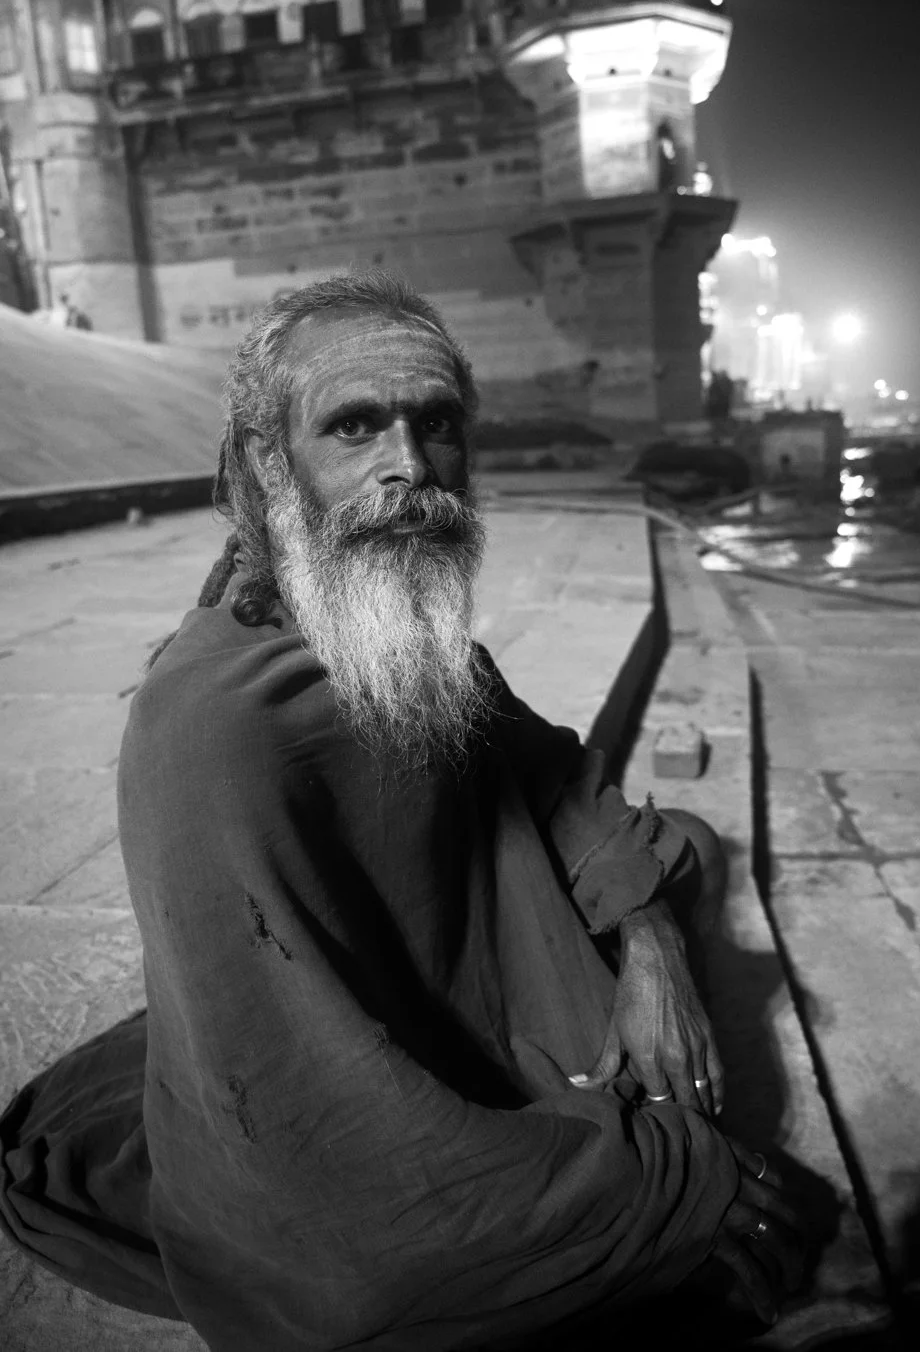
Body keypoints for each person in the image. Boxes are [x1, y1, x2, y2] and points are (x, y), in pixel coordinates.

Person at [0, 271, 804, 1350]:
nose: (410, 468)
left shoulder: (403, 635)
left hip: (470, 959)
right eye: (354, 427)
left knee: (680, 855)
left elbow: (546, 778)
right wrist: (649, 1192)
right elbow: (307, 1125)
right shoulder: (214, 729)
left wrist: (649, 941)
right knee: (381, 1274)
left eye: (436, 425)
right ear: (264, 468)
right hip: (348, 1068)